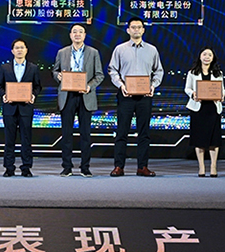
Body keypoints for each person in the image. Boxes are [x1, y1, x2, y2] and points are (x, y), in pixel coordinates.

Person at [107, 17, 164, 177]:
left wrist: (153, 86)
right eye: (133, 27)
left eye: (139, 27)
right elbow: (112, 70)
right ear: (128, 30)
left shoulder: (152, 50)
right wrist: (121, 85)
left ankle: (142, 167)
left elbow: (159, 71)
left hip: (145, 96)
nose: (136, 30)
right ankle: (119, 166)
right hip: (126, 95)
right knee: (122, 132)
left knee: (144, 133)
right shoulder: (120, 49)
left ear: (143, 30)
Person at [53, 23, 104, 177]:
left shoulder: (93, 52)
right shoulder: (62, 52)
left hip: (85, 95)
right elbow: (55, 71)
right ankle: (67, 167)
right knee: (66, 134)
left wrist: (89, 86)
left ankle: (85, 167)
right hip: (67, 95)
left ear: (84, 35)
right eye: (74, 32)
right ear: (70, 35)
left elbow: (99, 75)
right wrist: (58, 76)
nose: (77, 34)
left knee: (85, 134)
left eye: (80, 32)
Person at [0, 38, 42, 177]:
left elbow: (38, 86)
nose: (19, 50)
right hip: (9, 108)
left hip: (26, 108)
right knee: (9, 139)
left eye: (22, 47)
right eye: (17, 48)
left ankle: (26, 168)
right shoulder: (5, 68)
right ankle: (9, 168)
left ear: (26, 50)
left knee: (26, 139)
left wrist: (33, 95)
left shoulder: (33, 68)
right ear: (12, 51)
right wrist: (4, 95)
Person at [184, 47, 225, 177]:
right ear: (200, 57)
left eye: (210, 55)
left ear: (213, 58)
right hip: (198, 108)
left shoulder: (218, 73)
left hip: (213, 108)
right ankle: (201, 167)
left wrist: (221, 95)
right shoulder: (192, 73)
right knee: (199, 139)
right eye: (204, 54)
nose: (207, 57)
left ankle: (213, 167)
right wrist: (193, 94)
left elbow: (222, 89)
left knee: (214, 139)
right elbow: (187, 88)